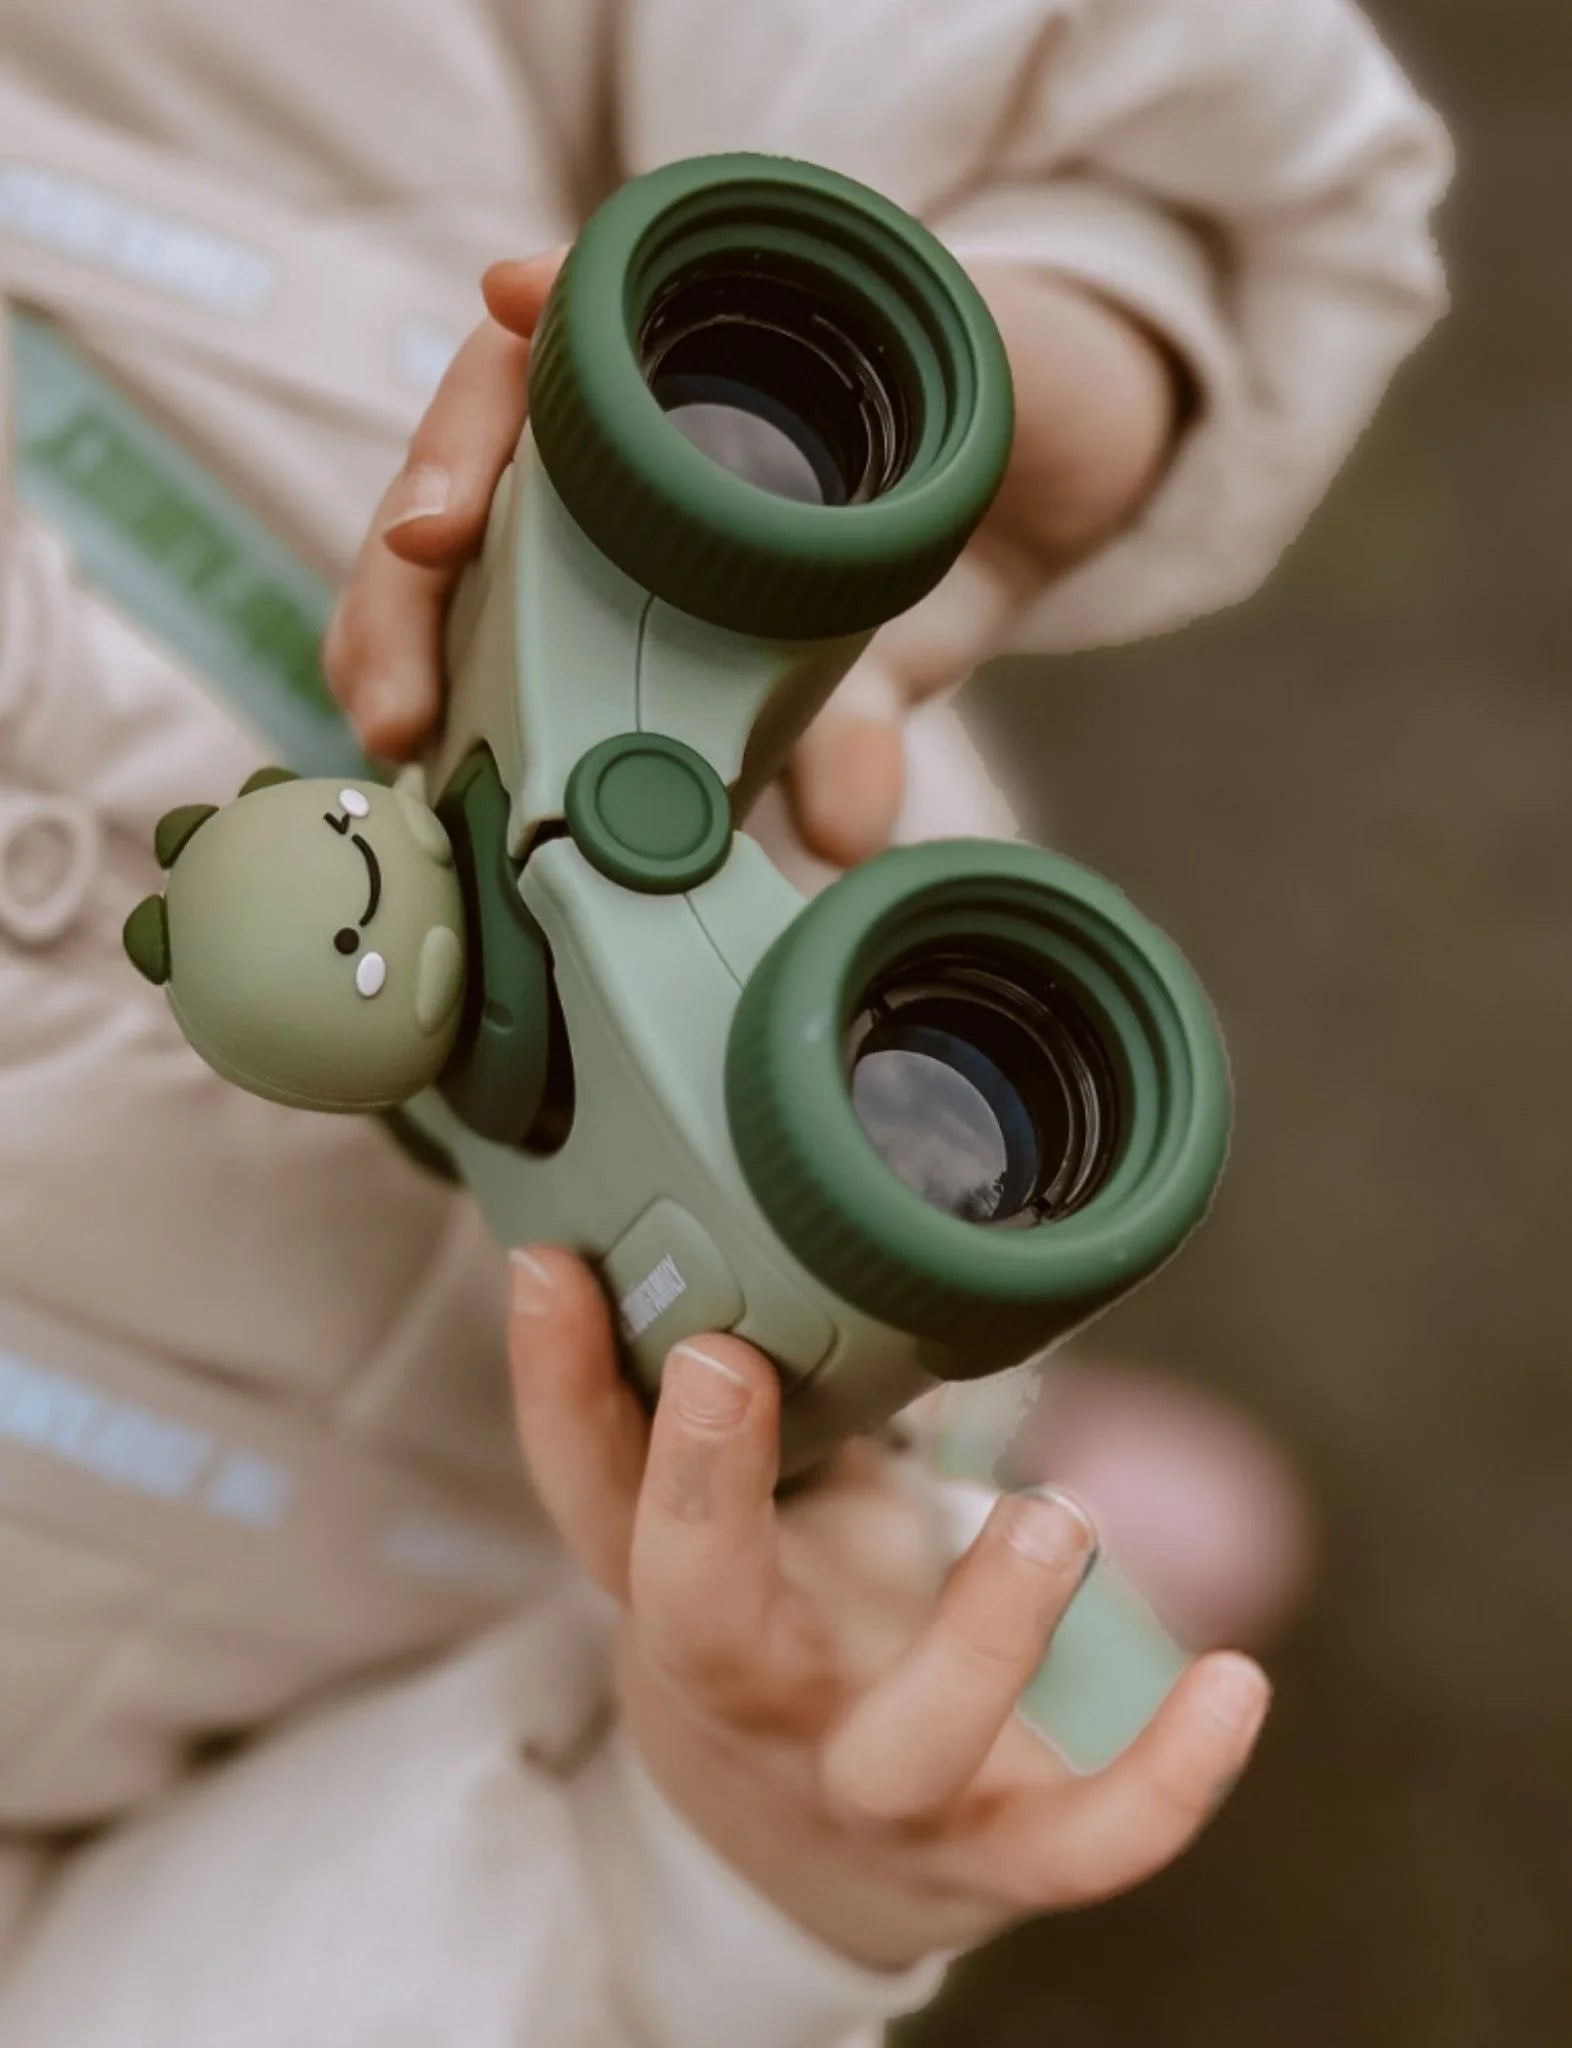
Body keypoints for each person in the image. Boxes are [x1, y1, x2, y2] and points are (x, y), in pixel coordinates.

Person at [0, 2, 1450, 2041]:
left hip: (886, 1004)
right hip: (473, 1675)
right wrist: (709, 1869)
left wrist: (1040, 339)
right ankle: (974, 1538)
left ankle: (987, 1460)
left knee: (954, 1294)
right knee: (952, 1527)